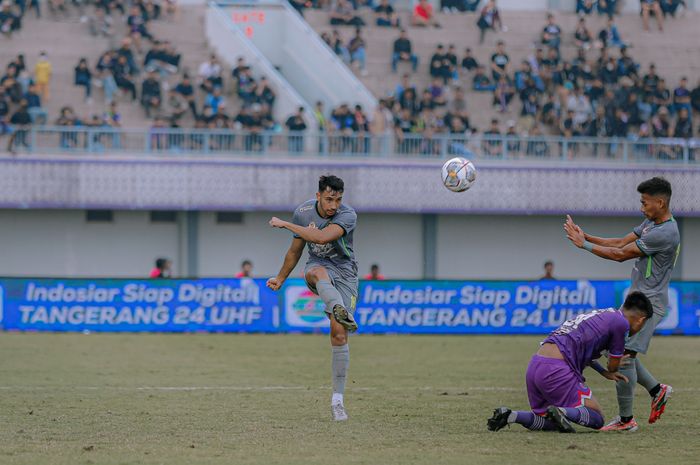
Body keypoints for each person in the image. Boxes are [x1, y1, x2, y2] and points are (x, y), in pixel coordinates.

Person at [564, 177, 679, 431]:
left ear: (660, 202)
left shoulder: (666, 233)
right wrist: (587, 236)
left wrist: (584, 245)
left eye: (645, 203)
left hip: (648, 305)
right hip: (638, 299)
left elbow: (619, 255)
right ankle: (657, 390)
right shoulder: (652, 222)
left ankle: (626, 421)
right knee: (617, 349)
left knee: (623, 355)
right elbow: (619, 243)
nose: (642, 208)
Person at [487, 292, 653, 433]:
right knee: (596, 418)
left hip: (536, 365)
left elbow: (581, 348)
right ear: (640, 320)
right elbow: (614, 365)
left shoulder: (603, 315)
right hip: (556, 369)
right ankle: (560, 410)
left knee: (551, 422)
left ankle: (511, 415)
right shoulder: (622, 323)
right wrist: (613, 365)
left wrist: (603, 372)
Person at [267, 175, 358, 421]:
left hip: (345, 274)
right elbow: (295, 250)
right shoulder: (303, 212)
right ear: (318, 196)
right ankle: (337, 306)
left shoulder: (347, 215)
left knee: (339, 334)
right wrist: (280, 278)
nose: (333, 205)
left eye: (338, 200)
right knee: (317, 272)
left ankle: (337, 401)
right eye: (329, 199)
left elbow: (319, 238)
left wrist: (284, 224)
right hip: (318, 265)